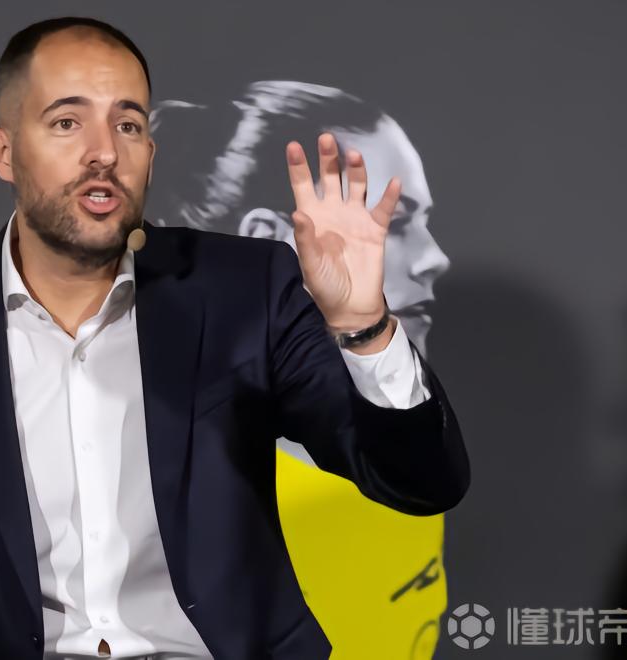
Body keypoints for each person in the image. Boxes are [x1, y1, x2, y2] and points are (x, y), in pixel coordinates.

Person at [0, 16, 469, 660]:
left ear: (150, 151)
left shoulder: (245, 291)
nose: (104, 152)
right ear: (3, 152)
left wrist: (363, 324)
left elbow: (421, 483)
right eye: (67, 122)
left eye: (127, 124)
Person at [148, 81, 452, 659]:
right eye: (391, 222)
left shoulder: (404, 439)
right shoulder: (179, 481)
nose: (435, 258)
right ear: (268, 240)